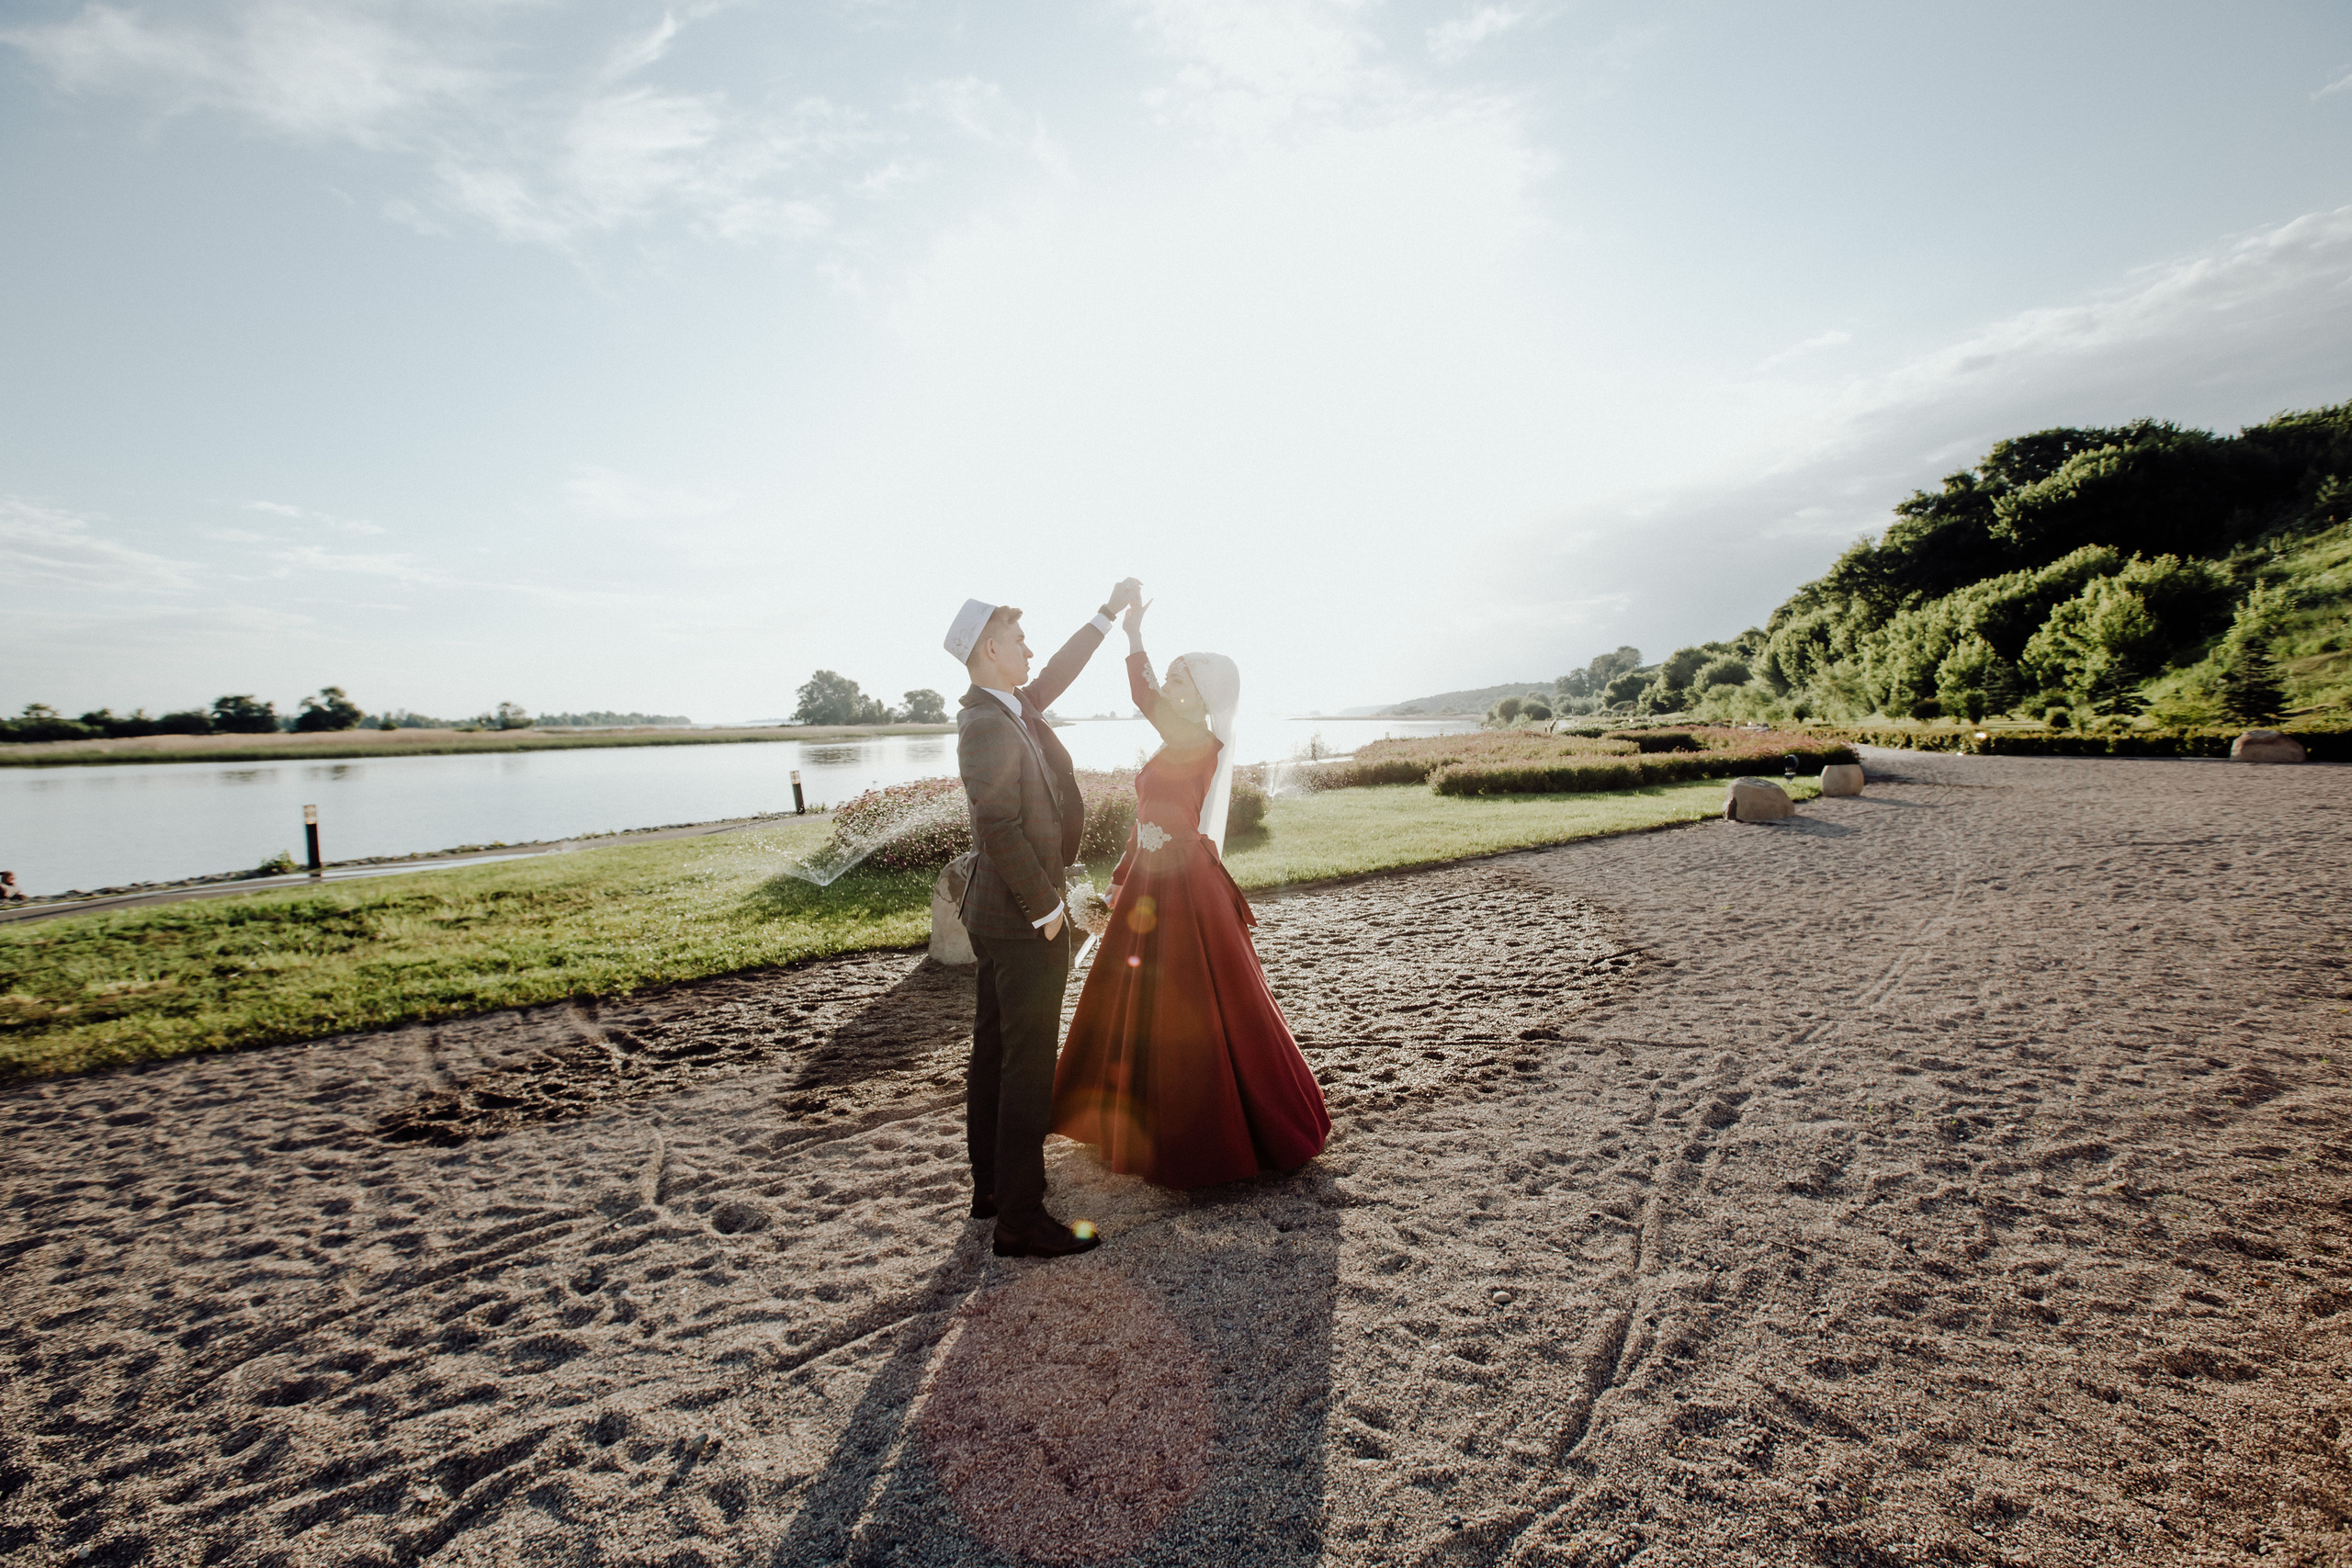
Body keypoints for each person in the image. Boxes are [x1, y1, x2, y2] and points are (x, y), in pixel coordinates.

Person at [1050, 599, 1330, 1187]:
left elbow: (1141, 694)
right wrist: (1121, 879)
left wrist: (1134, 634)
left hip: (1184, 885)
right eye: (1170, 673)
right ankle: (1125, 1119)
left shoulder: (1198, 741)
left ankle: (1203, 1134)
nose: (1168, 683)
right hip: (1151, 878)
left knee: (1188, 1000)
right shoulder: (1171, 743)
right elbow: (1145, 820)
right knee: (1135, 999)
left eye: (1180, 676)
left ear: (1201, 695)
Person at [946, 579, 1139, 1258]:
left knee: (996, 1049)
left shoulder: (1013, 703)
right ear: (992, 648)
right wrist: (1051, 909)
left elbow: (1060, 667)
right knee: (1025, 1062)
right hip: (1022, 918)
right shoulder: (986, 724)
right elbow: (997, 825)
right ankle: (1020, 1218)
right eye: (1019, 639)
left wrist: (1107, 615)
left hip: (1003, 914)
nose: (1030, 648)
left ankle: (994, 1190)